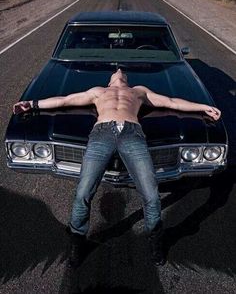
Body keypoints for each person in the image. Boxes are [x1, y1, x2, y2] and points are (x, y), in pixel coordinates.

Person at [13, 69, 221, 266]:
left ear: (126, 79)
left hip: (132, 133)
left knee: (151, 193)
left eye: (122, 71)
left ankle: (155, 241)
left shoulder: (139, 91)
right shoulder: (98, 92)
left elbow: (172, 102)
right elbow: (64, 100)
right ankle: (77, 241)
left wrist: (202, 107)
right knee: (83, 192)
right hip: (102, 132)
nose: (119, 70)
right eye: (116, 71)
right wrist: (32, 104)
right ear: (110, 80)